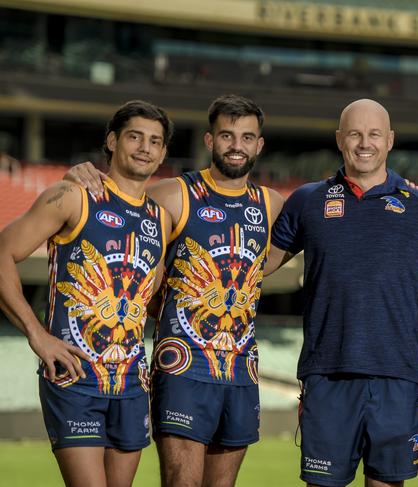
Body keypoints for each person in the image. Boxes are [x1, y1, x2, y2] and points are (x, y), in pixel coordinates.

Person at [66, 94, 284, 487]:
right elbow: (123, 228)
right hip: (182, 365)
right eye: (227, 136)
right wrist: (79, 174)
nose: (237, 146)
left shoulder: (273, 205)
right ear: (209, 140)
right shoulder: (169, 195)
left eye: (247, 137)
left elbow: (284, 255)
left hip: (241, 371)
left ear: (259, 145)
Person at [267, 98, 418, 487]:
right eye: (355, 134)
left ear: (390, 140)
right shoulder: (307, 200)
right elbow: (257, 267)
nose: (365, 143)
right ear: (339, 139)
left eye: (374, 134)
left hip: (396, 376)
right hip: (327, 374)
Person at [0, 100, 173, 487]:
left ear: (163, 153)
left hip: (130, 381)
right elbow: (2, 254)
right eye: (135, 137)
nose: (145, 147)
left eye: (155, 141)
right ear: (112, 141)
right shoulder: (73, 194)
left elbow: (151, 293)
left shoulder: (159, 218)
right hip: (75, 376)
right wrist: (37, 335)